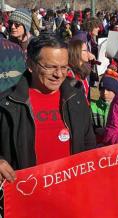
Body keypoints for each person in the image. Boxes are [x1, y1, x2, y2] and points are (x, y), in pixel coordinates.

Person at [0, 34, 96, 185]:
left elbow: (88, 143)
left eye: (64, 67)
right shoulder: (7, 102)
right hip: (26, 194)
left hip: (71, 191)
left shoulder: (76, 96)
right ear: (31, 65)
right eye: (50, 67)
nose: (58, 74)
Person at [90, 69, 118, 143]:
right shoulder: (93, 106)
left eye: (109, 90)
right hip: (97, 144)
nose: (105, 93)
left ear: (115, 91)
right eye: (102, 89)